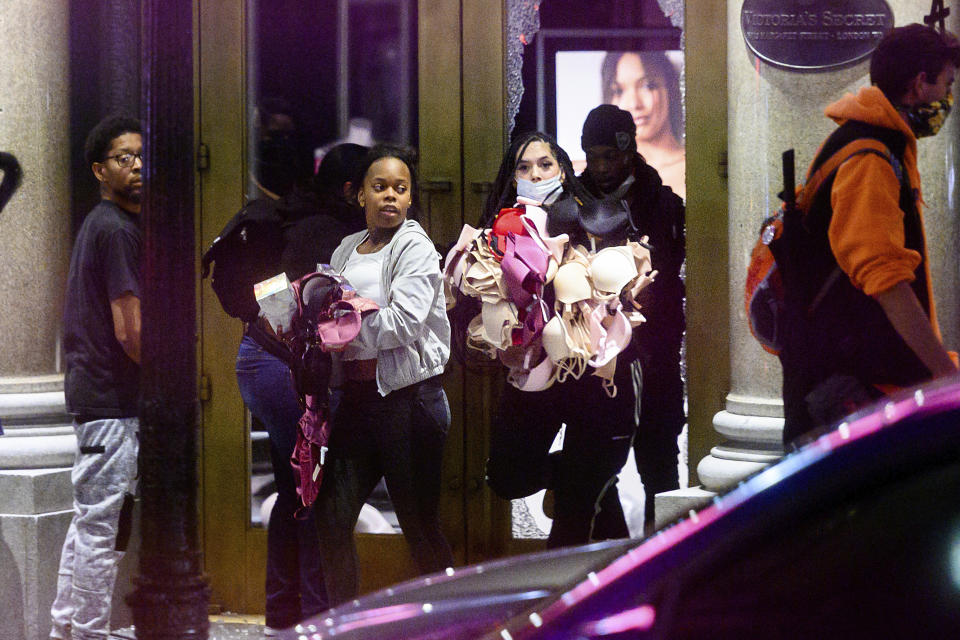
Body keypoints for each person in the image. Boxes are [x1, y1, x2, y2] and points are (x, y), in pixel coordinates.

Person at [779, 24, 959, 445]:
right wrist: (943, 373)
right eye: (946, 86)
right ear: (919, 85)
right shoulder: (870, 158)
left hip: (855, 381)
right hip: (856, 390)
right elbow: (887, 280)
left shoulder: (867, 144)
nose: (948, 100)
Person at [232, 135, 365, 631]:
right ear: (353, 189)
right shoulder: (334, 233)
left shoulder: (293, 216)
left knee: (294, 490)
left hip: (259, 362)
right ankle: (315, 616)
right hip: (284, 370)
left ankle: (282, 611)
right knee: (313, 493)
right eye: (374, 184)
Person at [481, 131, 637, 548]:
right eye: (524, 167)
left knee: (576, 511)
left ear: (564, 171)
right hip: (534, 369)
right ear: (512, 177)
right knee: (508, 476)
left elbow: (625, 286)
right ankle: (585, 475)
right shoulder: (502, 226)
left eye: (545, 165)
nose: (535, 174)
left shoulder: (597, 216)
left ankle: (570, 601)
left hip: (592, 371)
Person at [315, 144, 454, 605]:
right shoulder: (344, 249)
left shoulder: (415, 246)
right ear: (360, 196)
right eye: (380, 188)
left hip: (408, 400)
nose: (390, 197)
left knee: (419, 527)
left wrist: (339, 330)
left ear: (410, 197)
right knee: (331, 518)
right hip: (357, 401)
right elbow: (328, 308)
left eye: (400, 188)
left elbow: (405, 322)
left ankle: (453, 627)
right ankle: (343, 629)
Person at [51, 115, 143, 640]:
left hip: (99, 399)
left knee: (92, 524)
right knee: (104, 529)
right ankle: (87, 632)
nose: (135, 166)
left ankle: (68, 628)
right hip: (112, 401)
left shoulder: (102, 225)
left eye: (140, 156)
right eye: (122, 158)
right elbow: (131, 332)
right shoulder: (115, 230)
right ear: (98, 170)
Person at [577, 105, 686, 535]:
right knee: (598, 473)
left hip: (654, 354)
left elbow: (671, 281)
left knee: (660, 469)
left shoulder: (662, 204)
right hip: (598, 359)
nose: (602, 167)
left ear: (629, 150)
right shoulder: (575, 204)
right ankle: (616, 559)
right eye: (594, 156)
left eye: (611, 156)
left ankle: (665, 564)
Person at [601, 51, 685, 200]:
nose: (634, 104)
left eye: (647, 86)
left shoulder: (700, 168)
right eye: (619, 91)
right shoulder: (595, 174)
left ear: (670, 90)